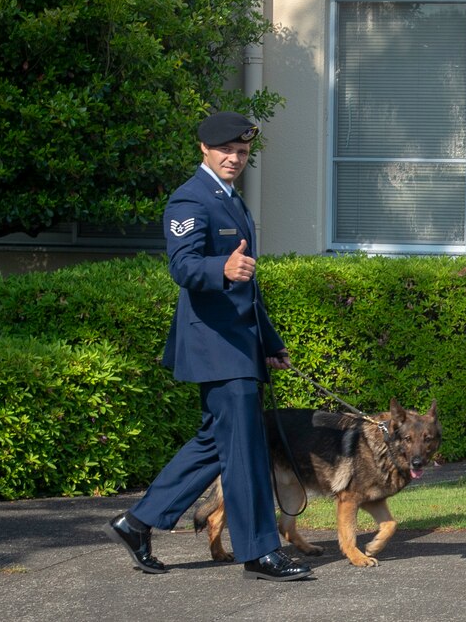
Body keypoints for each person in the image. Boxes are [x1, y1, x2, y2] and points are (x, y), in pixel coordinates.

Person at [104, 110, 311, 582]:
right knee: (246, 451)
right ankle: (259, 553)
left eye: (242, 153)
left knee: (215, 446)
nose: (235, 159)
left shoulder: (232, 201)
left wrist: (270, 343)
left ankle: (135, 523)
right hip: (216, 348)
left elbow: (248, 290)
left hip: (240, 346)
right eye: (227, 151)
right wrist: (220, 268)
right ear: (204, 148)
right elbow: (183, 266)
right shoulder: (189, 199)